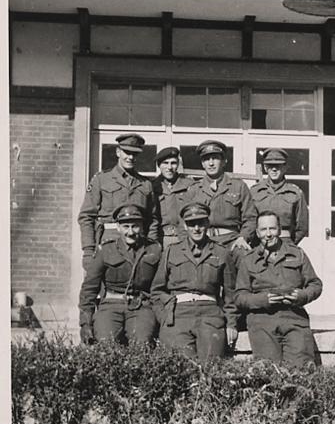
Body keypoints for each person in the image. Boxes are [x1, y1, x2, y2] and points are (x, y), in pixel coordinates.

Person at [151, 202, 238, 362]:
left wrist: (231, 324)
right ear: (185, 226)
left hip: (210, 316)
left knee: (211, 367)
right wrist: (163, 316)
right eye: (191, 224)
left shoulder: (221, 252)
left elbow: (230, 295)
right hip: (178, 316)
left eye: (201, 223)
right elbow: (156, 291)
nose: (196, 228)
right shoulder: (171, 251)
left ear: (208, 223)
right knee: (179, 368)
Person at [234, 210, 322, 367]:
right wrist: (262, 300)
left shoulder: (297, 254)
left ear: (280, 230)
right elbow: (240, 296)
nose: (268, 234)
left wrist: (302, 296)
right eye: (263, 230)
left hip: (294, 318)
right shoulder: (249, 260)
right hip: (262, 321)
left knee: (301, 369)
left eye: (272, 229)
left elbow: (315, 284)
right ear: (257, 233)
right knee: (269, 370)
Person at [79, 203, 162, 346]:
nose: (130, 232)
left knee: (142, 344)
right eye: (126, 227)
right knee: (106, 343)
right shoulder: (106, 250)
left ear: (142, 227)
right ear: (118, 227)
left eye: (135, 226)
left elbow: (161, 287)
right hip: (111, 306)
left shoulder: (154, 250)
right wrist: (85, 323)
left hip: (141, 307)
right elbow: (89, 289)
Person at [78, 134, 159, 270]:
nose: (131, 158)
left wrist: (152, 246)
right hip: (108, 242)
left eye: (135, 154)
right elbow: (86, 217)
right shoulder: (101, 180)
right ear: (118, 152)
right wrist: (88, 250)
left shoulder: (145, 184)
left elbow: (153, 219)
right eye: (127, 153)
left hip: (138, 245)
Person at [185, 140, 257, 262]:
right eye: (207, 159)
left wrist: (243, 237)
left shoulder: (238, 186)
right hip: (202, 241)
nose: (211, 163)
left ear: (224, 161)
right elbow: (183, 221)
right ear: (203, 163)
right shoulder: (194, 189)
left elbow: (250, 218)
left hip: (231, 240)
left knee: (244, 257)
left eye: (215, 158)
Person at [250, 148, 308, 245]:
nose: (274, 169)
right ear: (265, 168)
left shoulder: (295, 193)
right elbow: (249, 220)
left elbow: (302, 227)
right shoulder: (254, 191)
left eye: (278, 165)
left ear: (285, 167)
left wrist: (290, 244)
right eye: (270, 166)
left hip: (285, 243)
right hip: (260, 243)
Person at [152, 146, 194, 248]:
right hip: (161, 238)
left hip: (186, 238)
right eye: (165, 163)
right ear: (159, 165)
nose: (169, 167)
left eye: (173, 163)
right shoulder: (152, 187)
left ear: (178, 164)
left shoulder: (189, 185)